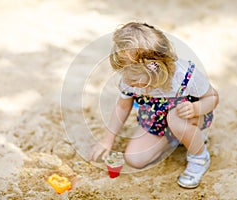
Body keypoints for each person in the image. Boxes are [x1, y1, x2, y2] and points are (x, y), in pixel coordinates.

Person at [88, 22, 219, 188]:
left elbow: (213, 97)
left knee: (175, 118)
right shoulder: (129, 80)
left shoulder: (184, 75)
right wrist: (107, 139)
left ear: (156, 71)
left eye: (134, 80)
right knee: (135, 159)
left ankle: (199, 158)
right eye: (124, 76)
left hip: (189, 116)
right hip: (156, 121)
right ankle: (176, 139)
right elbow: (122, 106)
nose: (128, 82)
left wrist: (195, 108)